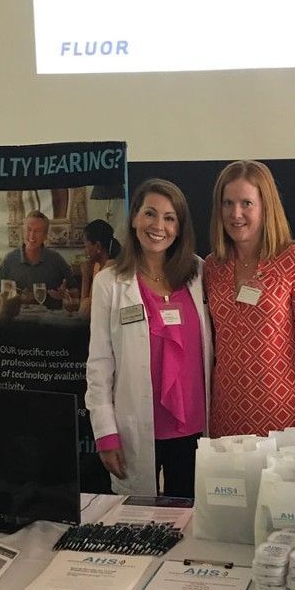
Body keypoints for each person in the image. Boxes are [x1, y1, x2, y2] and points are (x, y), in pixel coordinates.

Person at [86, 179, 213, 497]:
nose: (159, 226)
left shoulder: (200, 273)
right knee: (140, 525)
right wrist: (105, 434)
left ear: (180, 226)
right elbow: (99, 365)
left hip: (195, 428)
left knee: (193, 527)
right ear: (133, 219)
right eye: (150, 214)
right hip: (137, 428)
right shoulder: (109, 282)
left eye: (170, 218)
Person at [204, 160, 295, 437]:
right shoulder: (213, 267)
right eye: (227, 203)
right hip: (226, 411)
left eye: (246, 203)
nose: (235, 214)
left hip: (283, 412)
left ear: (265, 206)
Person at [0, 210, 77, 307]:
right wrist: (15, 298)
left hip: (49, 319)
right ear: (23, 231)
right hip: (17, 319)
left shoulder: (56, 259)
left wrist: (65, 294)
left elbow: (75, 291)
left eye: (37, 231)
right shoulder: (9, 260)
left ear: (45, 236)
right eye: (29, 229)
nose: (32, 235)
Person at [78, 219, 121, 319]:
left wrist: (85, 276)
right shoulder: (97, 266)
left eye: (86, 246)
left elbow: (84, 313)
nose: (85, 251)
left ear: (97, 246)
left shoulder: (109, 268)